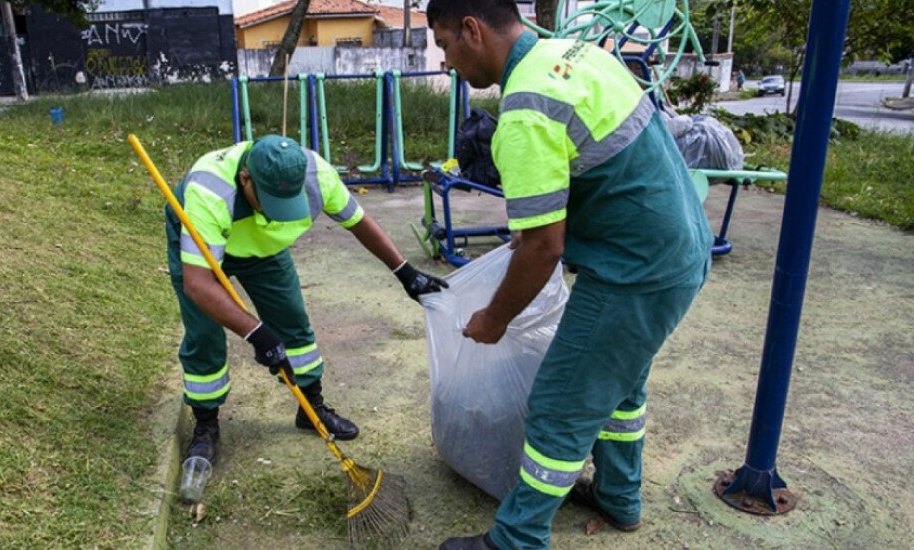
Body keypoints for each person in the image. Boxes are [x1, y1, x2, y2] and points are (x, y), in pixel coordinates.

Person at [426, 1, 712, 549]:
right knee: (618, 385)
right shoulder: (578, 56)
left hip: (635, 271)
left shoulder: (525, 112)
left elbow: (542, 248)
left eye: (444, 45)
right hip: (680, 248)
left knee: (560, 402)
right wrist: (542, 226)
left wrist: (494, 318)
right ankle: (619, 496)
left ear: (472, 30)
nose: (447, 62)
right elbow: (604, 162)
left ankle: (517, 538)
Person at [167, 135, 447, 464]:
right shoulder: (210, 193)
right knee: (204, 334)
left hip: (263, 250)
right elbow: (199, 286)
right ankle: (205, 426)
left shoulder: (317, 174)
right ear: (246, 179)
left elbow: (359, 223)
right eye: (270, 202)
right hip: (202, 245)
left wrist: (405, 273)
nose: (278, 213)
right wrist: (256, 333)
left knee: (292, 322)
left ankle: (311, 407)